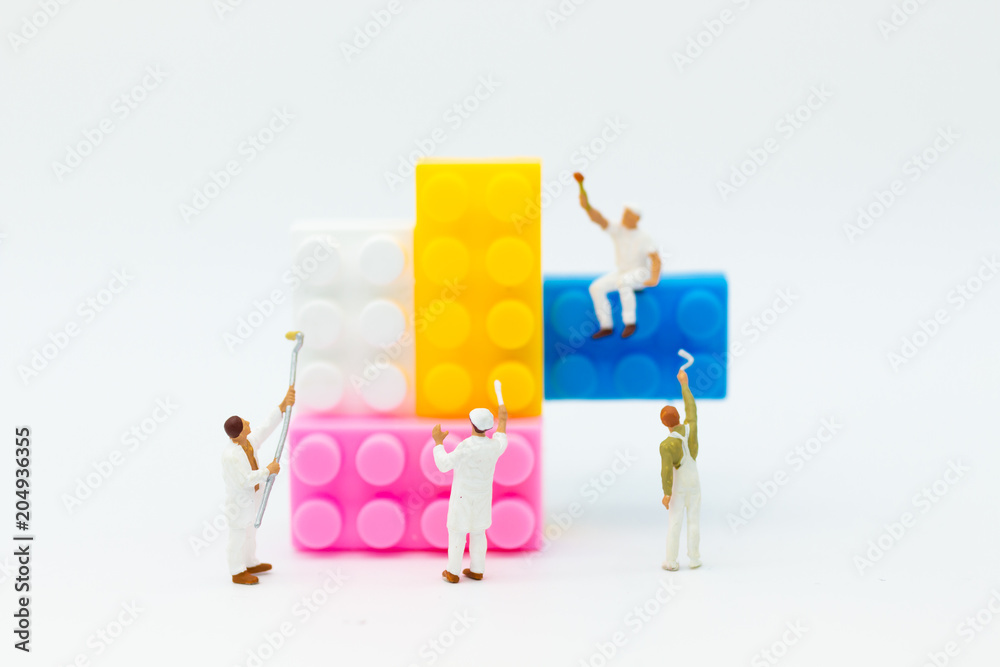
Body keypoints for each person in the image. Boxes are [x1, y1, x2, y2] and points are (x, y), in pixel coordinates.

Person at [221, 386, 295, 585]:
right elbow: (245, 479)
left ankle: (250, 562)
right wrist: (267, 471)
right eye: (245, 423)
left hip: (252, 499)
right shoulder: (231, 456)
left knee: (250, 534)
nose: (248, 422)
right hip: (239, 504)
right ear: (239, 432)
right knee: (238, 538)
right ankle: (237, 571)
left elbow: (264, 429)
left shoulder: (248, 442)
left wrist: (281, 408)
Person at [431, 403, 508, 583]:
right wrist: (503, 420)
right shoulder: (493, 446)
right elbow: (502, 438)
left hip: (462, 497)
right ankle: (477, 569)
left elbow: (444, 464)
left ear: (471, 423)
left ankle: (453, 571)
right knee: (478, 532)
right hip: (483, 498)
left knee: (457, 532)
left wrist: (438, 443)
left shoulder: (466, 447)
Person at [578, 189, 661, 339]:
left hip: (640, 272)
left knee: (624, 282)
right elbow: (600, 219)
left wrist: (654, 278)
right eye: (624, 213)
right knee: (596, 287)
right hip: (622, 271)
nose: (624, 217)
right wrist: (587, 207)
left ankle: (630, 322)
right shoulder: (618, 230)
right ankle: (606, 325)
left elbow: (655, 258)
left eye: (628, 214)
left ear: (636, 218)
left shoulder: (644, 237)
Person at [659, 369, 701, 571]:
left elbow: (666, 471)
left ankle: (671, 561)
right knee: (694, 521)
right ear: (678, 417)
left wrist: (667, 493)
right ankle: (694, 559)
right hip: (694, 483)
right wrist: (684, 384)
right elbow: (691, 408)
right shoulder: (691, 427)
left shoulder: (666, 445)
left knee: (675, 522)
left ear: (663, 423)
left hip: (679, 487)